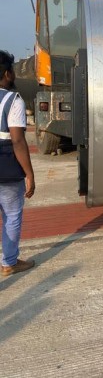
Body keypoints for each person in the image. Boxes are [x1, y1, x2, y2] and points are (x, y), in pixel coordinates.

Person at [0, 50, 36, 276]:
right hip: (6, 170)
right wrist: (29, 174)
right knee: (11, 216)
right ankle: (9, 263)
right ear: (7, 74)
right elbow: (17, 140)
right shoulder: (13, 100)